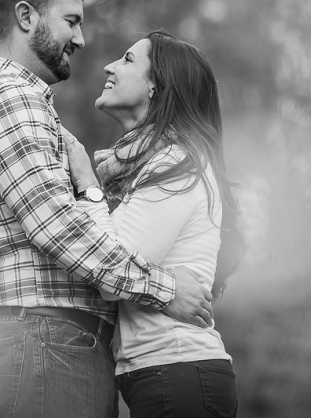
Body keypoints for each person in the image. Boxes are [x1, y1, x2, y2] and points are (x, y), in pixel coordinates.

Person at [0, 0, 215, 418]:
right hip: (45, 343)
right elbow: (58, 229)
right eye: (71, 21)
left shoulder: (15, 100)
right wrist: (167, 291)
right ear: (27, 17)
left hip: (47, 344)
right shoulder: (9, 97)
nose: (81, 39)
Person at [65, 30, 246, 417]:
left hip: (177, 373)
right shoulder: (158, 164)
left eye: (128, 60)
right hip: (166, 374)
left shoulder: (175, 164)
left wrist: (88, 185)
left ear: (155, 87)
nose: (109, 66)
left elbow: (114, 270)